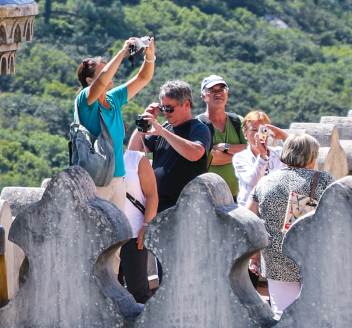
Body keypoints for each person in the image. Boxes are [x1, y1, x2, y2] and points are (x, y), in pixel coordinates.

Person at [252, 132, 332, 310]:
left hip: (275, 258)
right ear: (313, 156)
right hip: (312, 257)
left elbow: (250, 219)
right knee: (316, 312)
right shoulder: (323, 180)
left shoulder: (265, 182)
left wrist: (255, 256)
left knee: (282, 313)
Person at [74, 37, 156, 207]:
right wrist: (123, 52)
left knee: (119, 232)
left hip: (118, 178)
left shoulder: (114, 99)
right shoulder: (85, 100)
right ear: (89, 81)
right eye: (105, 70)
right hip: (95, 180)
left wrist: (150, 56)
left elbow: (143, 78)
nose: (111, 72)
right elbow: (103, 80)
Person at [142, 80, 212, 210]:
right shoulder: (164, 127)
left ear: (186, 105)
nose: (165, 113)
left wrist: (163, 132)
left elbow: (195, 153)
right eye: (163, 108)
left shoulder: (200, 129)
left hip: (186, 207)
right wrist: (144, 123)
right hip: (157, 205)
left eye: (169, 108)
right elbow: (135, 150)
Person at [117, 116, 160, 303]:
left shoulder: (136, 159)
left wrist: (146, 226)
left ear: (123, 131)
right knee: (109, 289)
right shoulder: (96, 163)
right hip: (107, 235)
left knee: (138, 290)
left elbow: (152, 194)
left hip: (134, 233)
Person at [198, 75, 247, 193]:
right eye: (212, 91)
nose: (218, 94)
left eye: (221, 90)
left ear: (227, 93)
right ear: (203, 96)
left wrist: (225, 147)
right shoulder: (198, 124)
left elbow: (252, 150)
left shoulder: (238, 121)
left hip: (240, 198)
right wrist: (240, 156)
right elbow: (208, 158)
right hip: (209, 197)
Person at [234, 110, 284, 209]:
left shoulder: (279, 153)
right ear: (245, 133)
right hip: (249, 212)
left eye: (262, 130)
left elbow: (302, 155)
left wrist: (285, 137)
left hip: (275, 211)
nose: (258, 134)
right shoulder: (240, 158)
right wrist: (263, 155)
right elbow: (253, 181)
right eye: (254, 130)